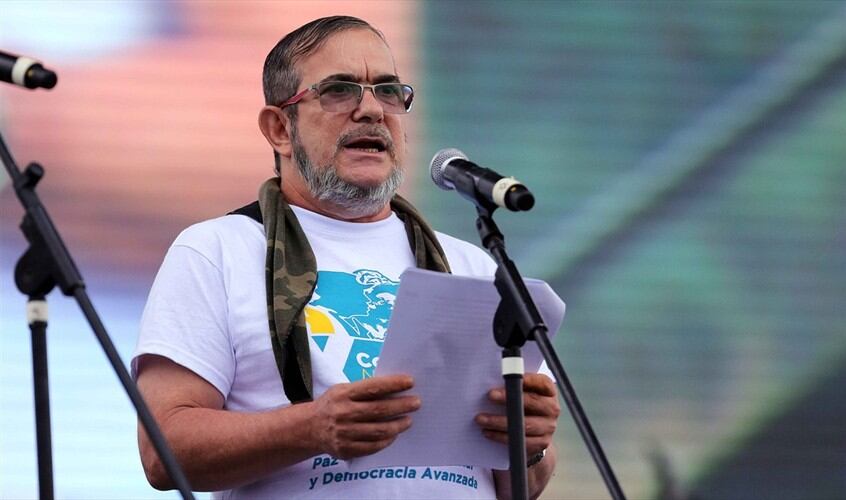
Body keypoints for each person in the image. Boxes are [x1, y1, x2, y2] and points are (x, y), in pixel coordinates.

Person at [132, 15, 559, 499]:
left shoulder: (475, 267)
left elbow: (519, 486)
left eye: (389, 90)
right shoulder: (217, 250)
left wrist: (530, 445)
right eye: (339, 90)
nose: (372, 110)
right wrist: (311, 428)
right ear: (279, 129)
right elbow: (162, 450)